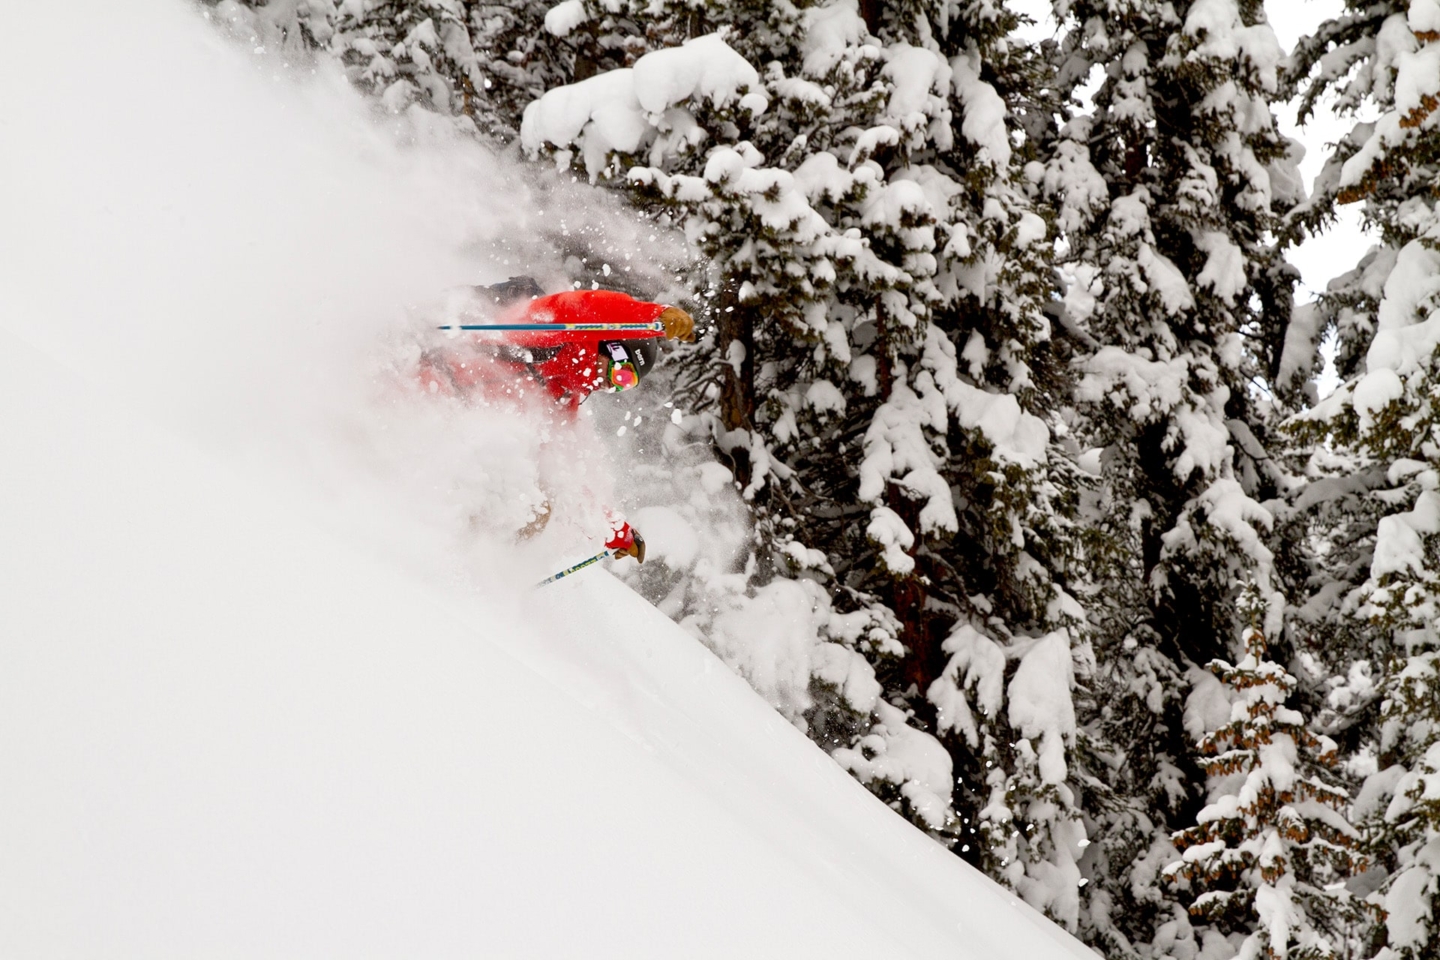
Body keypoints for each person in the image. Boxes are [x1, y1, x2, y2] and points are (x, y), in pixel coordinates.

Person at [416, 277, 695, 562]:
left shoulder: (563, 397)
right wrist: (652, 316)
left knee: (535, 506)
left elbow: (566, 476)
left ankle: (468, 570)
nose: (613, 385)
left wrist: (615, 532)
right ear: (611, 347)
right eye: (620, 373)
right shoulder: (547, 327)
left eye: (624, 383)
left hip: (446, 431)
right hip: (419, 380)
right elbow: (585, 306)